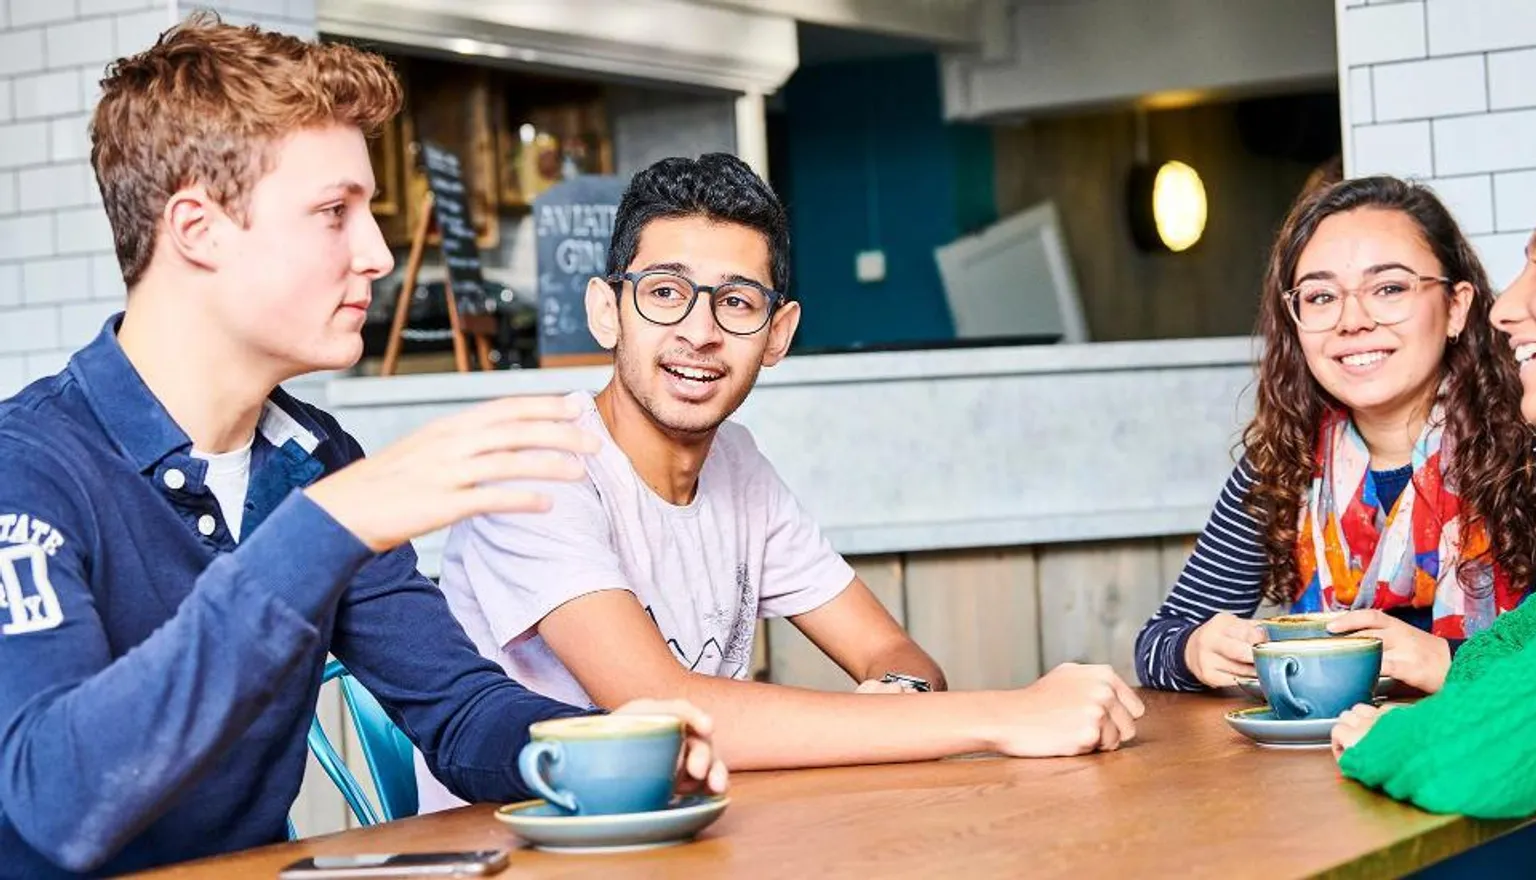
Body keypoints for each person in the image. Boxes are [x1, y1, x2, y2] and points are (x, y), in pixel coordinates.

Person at [0, 16, 723, 877]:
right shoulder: (28, 469)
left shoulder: (312, 454)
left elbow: (458, 714)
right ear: (196, 229)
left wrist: (598, 748)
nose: (378, 253)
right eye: (334, 213)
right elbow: (57, 802)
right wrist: (326, 526)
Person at [416, 152, 1146, 811]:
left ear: (777, 334)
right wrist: (1009, 715)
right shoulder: (539, 462)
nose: (700, 332)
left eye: (736, 302)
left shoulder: (738, 464)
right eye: (666, 292)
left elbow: (898, 658)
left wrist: (896, 700)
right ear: (607, 311)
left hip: (686, 840)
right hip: (522, 852)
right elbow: (660, 709)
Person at [1134, 176, 1536, 697]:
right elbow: (1158, 640)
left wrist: (1447, 661)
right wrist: (1194, 649)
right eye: (1321, 296)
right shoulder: (1281, 465)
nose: (1352, 320)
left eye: (1389, 288)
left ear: (1456, 307)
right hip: (1333, 760)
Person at [1332, 157, 1536, 818]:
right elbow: (1517, 650)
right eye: (1319, 296)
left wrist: (1399, 735)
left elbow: (1472, 762)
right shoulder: (1287, 461)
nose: (1505, 307)